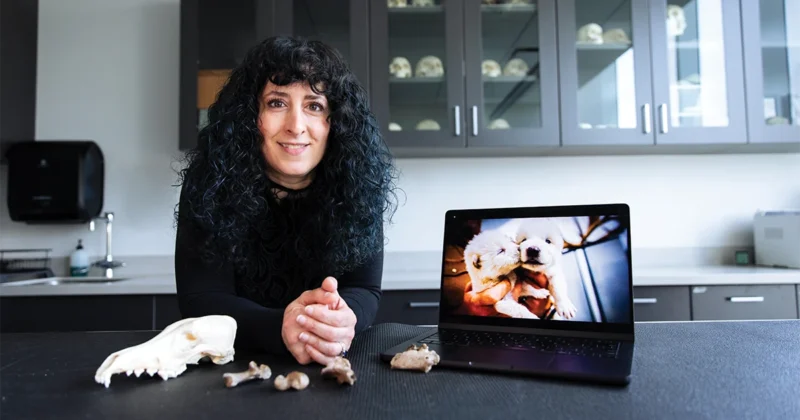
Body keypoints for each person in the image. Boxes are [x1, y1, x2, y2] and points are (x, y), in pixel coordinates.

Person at [173, 35, 400, 366]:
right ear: (250, 116)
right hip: (233, 368)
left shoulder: (358, 183)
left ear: (334, 121)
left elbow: (364, 289)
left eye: (314, 106)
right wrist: (281, 325)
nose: (296, 126)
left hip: (331, 365)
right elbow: (201, 299)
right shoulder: (210, 181)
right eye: (277, 103)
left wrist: (344, 319)